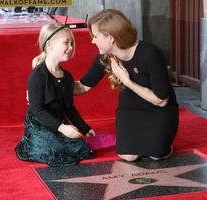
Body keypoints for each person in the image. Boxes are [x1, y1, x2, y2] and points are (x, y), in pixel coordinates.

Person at [74, 9, 179, 162]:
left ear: (110, 38)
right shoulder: (105, 56)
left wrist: (127, 81)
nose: (92, 41)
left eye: (95, 37)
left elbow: (161, 100)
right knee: (128, 156)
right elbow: (83, 86)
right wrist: (49, 86)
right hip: (130, 110)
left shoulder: (149, 53)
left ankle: (164, 145)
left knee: (156, 154)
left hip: (158, 110)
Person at [15, 21, 95, 167]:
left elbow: (69, 107)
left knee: (83, 150)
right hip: (39, 123)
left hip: (58, 121)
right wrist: (63, 128)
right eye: (66, 43)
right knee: (55, 153)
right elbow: (37, 109)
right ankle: (32, 143)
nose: (71, 48)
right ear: (50, 45)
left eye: (72, 44)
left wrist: (85, 128)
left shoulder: (67, 77)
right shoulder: (37, 76)